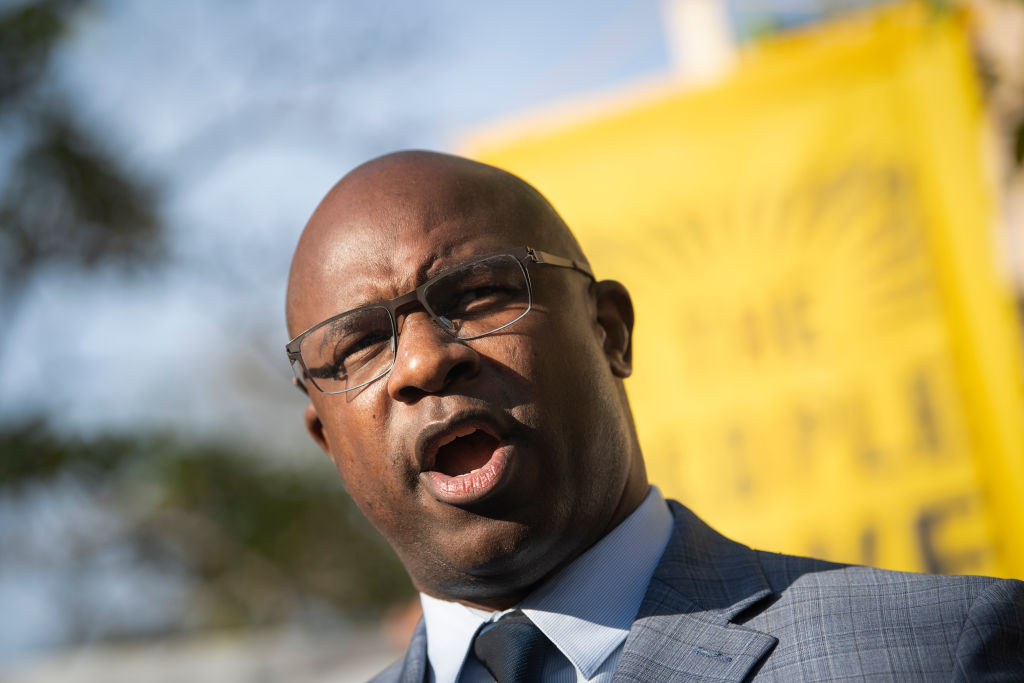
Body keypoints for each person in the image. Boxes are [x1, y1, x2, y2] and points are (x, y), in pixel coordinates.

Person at [284, 150, 1024, 682]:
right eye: (358, 345)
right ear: (327, 444)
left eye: (476, 293)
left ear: (609, 331)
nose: (421, 362)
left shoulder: (937, 652)